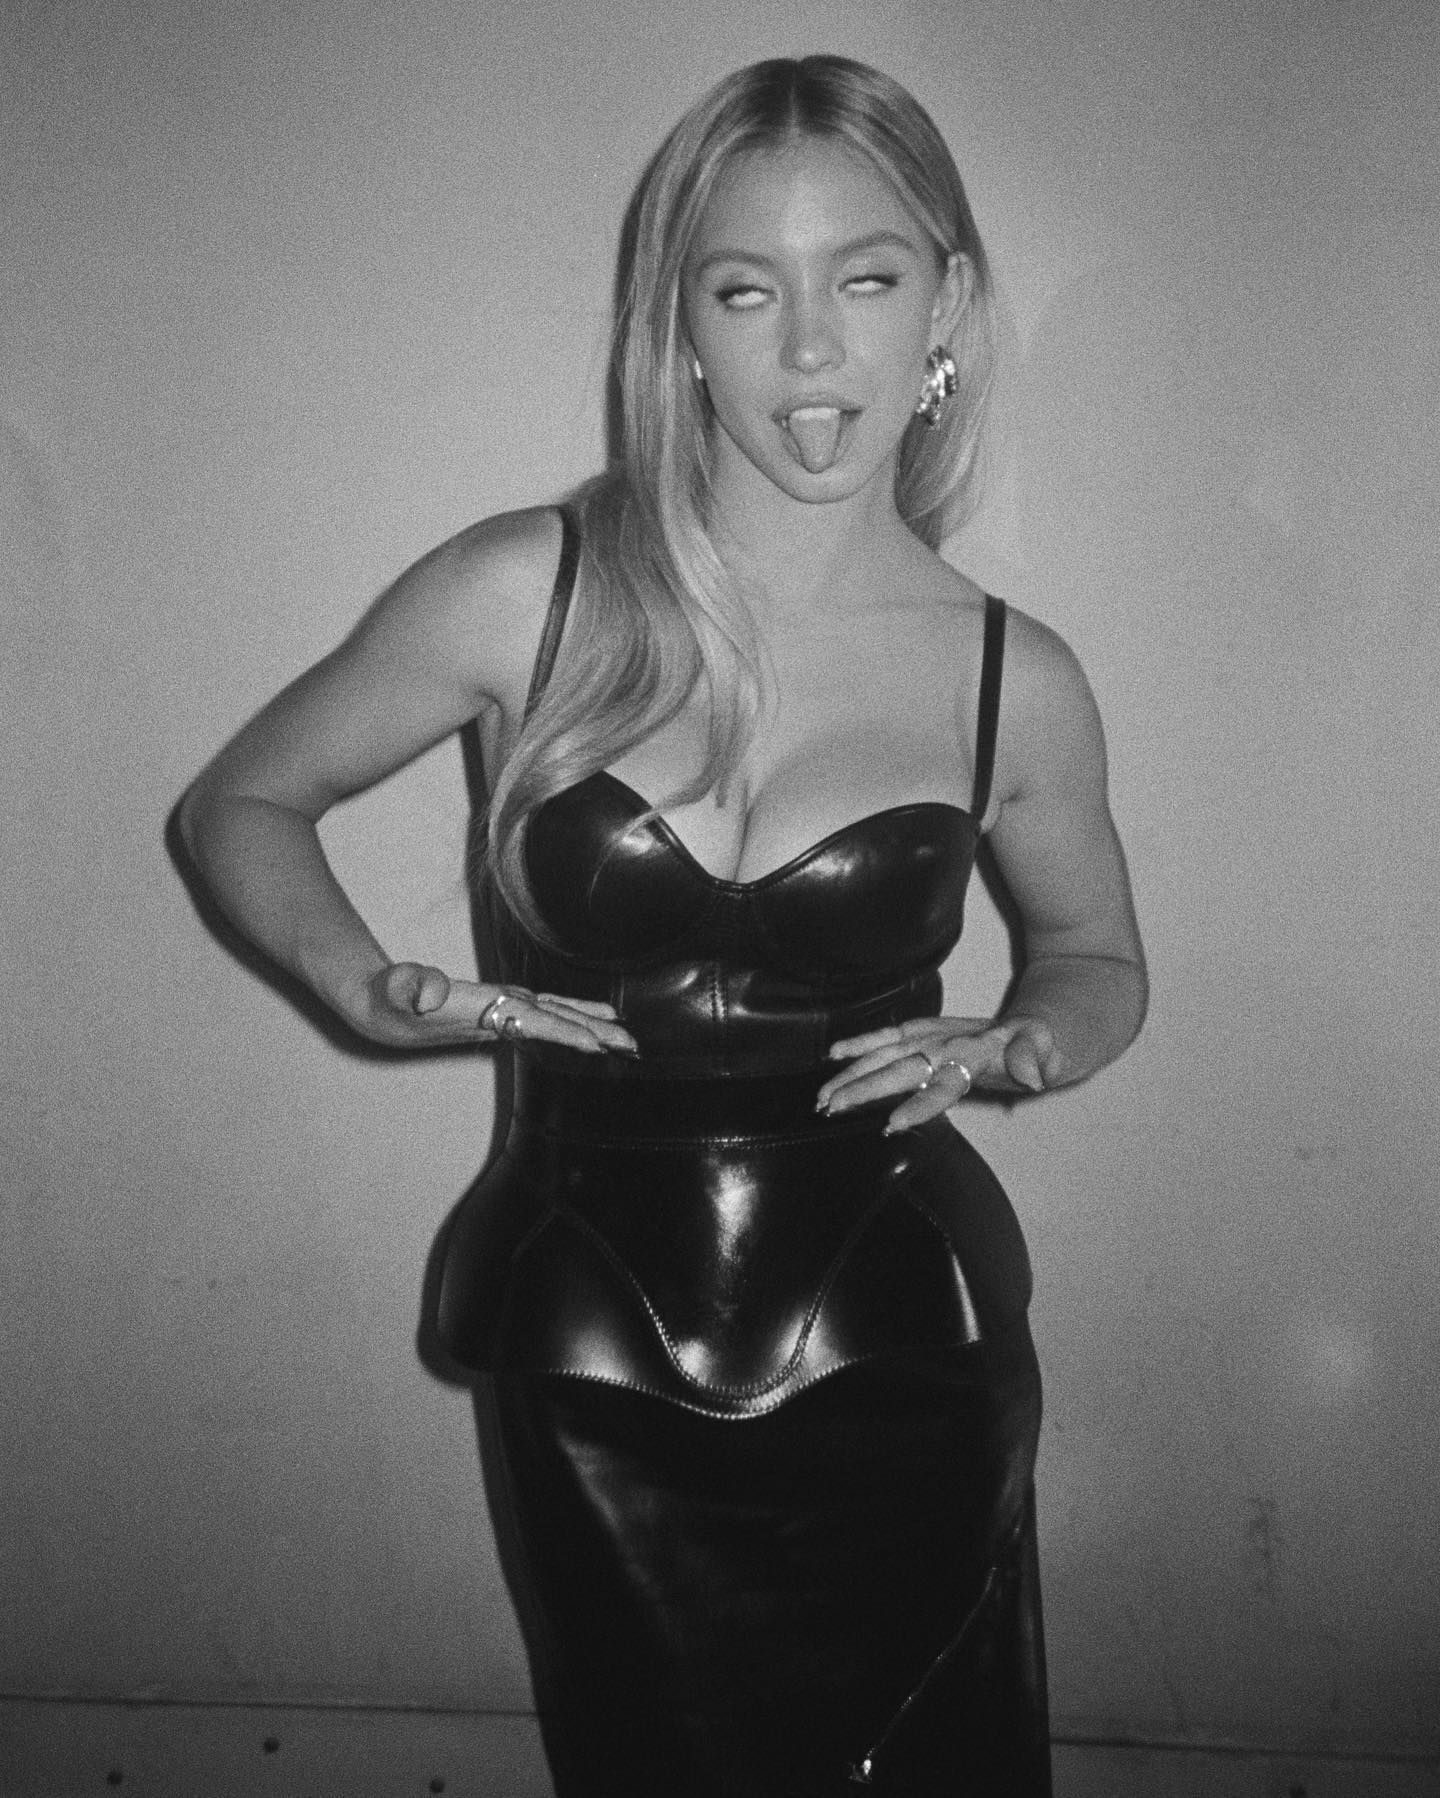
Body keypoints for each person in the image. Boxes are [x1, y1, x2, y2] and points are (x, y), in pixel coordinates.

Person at [180, 53, 1145, 1797]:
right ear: (678, 325)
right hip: (589, 1329)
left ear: (948, 303)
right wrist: (366, 985)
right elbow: (241, 804)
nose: (810, 349)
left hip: (906, 1332)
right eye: (746, 289)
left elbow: (1099, 960)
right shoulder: (523, 590)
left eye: (867, 278)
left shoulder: (1019, 677)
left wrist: (1032, 1038)